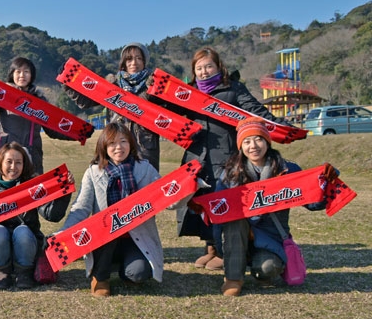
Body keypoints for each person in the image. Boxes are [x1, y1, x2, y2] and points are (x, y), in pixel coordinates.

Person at [174, 47, 285, 271]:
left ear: (218, 66)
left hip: (225, 156)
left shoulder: (233, 88)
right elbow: (168, 108)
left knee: (221, 200)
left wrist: (280, 125)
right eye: (199, 68)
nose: (204, 72)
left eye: (208, 66)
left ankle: (224, 251)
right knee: (200, 202)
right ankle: (210, 248)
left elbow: (255, 110)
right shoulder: (189, 91)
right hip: (197, 155)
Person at [215, 118, 324, 296]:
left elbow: (311, 202)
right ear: (240, 146)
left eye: (258, 139)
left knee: (266, 269)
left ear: (267, 141)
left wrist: (322, 187)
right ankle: (233, 278)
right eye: (247, 141)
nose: (253, 146)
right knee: (234, 218)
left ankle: (266, 264)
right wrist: (219, 247)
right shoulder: (231, 172)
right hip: (237, 234)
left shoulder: (287, 169)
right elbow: (220, 211)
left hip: (270, 235)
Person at [60, 122, 164, 297]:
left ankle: (125, 269)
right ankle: (100, 277)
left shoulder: (145, 169)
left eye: (123, 141)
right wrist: (63, 232)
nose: (118, 147)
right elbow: (81, 208)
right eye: (112, 143)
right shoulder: (93, 172)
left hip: (134, 237)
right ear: (104, 147)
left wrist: (188, 189)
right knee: (108, 225)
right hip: (105, 240)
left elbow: (166, 195)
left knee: (138, 273)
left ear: (130, 144)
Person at [0, 142, 71, 290]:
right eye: (9, 162)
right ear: (0, 163)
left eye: (18, 163)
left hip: (27, 246)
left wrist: (64, 193)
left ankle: (24, 273)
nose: (13, 167)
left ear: (24, 165)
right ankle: (1, 273)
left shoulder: (32, 189)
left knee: (22, 230)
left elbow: (52, 215)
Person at [0, 56, 76, 175]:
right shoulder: (3, 95)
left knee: (32, 192)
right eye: (18, 71)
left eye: (26, 72)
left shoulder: (40, 100)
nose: (22, 75)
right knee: (5, 191)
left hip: (32, 157)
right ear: (12, 74)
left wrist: (78, 133)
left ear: (32, 75)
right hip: (6, 155)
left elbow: (52, 130)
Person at [65, 43, 161, 170]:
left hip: (144, 147)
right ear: (124, 62)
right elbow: (85, 102)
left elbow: (170, 112)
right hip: (116, 146)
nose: (134, 63)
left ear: (145, 62)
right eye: (129, 59)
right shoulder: (112, 85)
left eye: (139, 58)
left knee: (147, 186)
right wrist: (67, 81)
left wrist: (154, 93)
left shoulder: (154, 84)